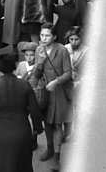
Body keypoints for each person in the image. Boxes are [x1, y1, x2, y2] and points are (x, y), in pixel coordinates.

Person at [0, 53, 43, 172]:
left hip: (1, 133)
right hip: (22, 132)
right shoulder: (25, 85)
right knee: (22, 165)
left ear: (0, 67)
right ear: (14, 67)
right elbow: (35, 110)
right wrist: (38, 128)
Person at [33, 23, 73, 171]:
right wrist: (40, 62)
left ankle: (57, 156)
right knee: (47, 123)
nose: (43, 38)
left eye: (47, 35)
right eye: (42, 35)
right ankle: (49, 148)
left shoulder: (62, 50)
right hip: (45, 92)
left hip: (59, 92)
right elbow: (36, 76)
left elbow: (68, 73)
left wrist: (56, 82)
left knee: (57, 124)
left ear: (54, 37)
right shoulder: (39, 50)